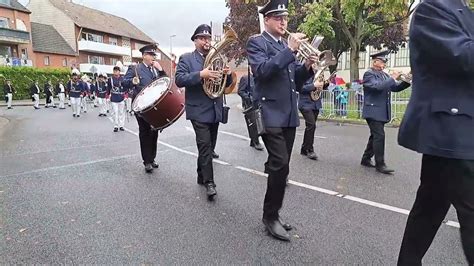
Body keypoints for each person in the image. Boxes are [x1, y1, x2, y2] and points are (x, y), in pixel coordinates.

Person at [397, 0, 474, 264]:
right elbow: (463, 57)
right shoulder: (433, 7)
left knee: (428, 210)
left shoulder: (461, 9)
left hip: (456, 128)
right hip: (450, 128)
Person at [246, 0, 316, 241]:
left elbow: (295, 77)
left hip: (288, 113)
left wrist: (307, 65)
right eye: (277, 17)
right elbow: (263, 71)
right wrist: (290, 51)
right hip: (269, 112)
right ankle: (270, 217)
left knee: (283, 167)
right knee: (279, 163)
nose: (283, 22)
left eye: (285, 18)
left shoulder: (288, 48)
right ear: (266, 20)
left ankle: (274, 212)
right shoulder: (257, 42)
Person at [175, 24, 233, 200]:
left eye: (208, 38)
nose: (206, 41)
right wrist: (201, 74)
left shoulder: (217, 57)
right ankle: (210, 183)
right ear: (195, 41)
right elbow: (179, 80)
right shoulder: (186, 58)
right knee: (205, 145)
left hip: (214, 108)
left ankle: (201, 173)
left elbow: (225, 83)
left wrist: (228, 74)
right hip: (198, 110)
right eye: (202, 38)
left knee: (209, 145)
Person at [360, 50, 410, 174]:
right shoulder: (369, 74)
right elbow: (377, 87)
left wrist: (407, 81)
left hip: (381, 110)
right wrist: (393, 77)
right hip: (373, 110)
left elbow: (395, 88)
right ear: (375, 62)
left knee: (375, 136)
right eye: (382, 61)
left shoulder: (384, 75)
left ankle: (366, 159)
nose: (384, 63)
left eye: (385, 61)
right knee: (379, 136)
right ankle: (380, 164)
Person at [123, 44, 167, 173]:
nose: (153, 57)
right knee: (145, 132)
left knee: (154, 132)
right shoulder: (135, 68)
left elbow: (165, 81)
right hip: (141, 106)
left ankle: (152, 158)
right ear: (144, 56)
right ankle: (146, 161)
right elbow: (124, 82)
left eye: (154, 55)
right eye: (151, 55)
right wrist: (132, 81)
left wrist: (161, 70)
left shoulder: (155, 69)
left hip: (154, 106)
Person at [298, 75, 329, 160]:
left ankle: (304, 148)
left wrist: (326, 84)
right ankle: (309, 149)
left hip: (315, 104)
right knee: (312, 125)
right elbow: (300, 88)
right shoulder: (303, 73)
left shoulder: (318, 75)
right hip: (305, 104)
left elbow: (320, 89)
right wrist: (313, 85)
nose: (315, 63)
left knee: (310, 127)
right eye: (314, 62)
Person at [238, 70, 264, 151]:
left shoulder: (260, 78)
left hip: (259, 104)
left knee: (260, 122)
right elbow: (240, 91)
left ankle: (254, 140)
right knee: (252, 123)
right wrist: (248, 98)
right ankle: (256, 141)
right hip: (249, 105)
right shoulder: (246, 78)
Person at [108, 66, 127, 132]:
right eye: (114, 70)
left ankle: (121, 125)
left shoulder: (123, 79)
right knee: (115, 112)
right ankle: (116, 126)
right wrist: (107, 96)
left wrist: (126, 96)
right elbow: (108, 88)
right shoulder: (110, 79)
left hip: (121, 97)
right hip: (114, 98)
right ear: (113, 72)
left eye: (117, 70)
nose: (116, 72)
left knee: (121, 112)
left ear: (119, 71)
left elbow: (125, 88)